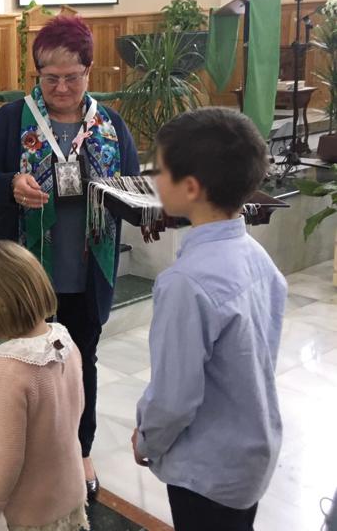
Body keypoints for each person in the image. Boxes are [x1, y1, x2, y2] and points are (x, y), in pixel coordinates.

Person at [0, 15, 140, 499]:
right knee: (21, 365)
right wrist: (9, 184)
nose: (61, 87)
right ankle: (16, 454)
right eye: (50, 78)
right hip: (26, 274)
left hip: (87, 271)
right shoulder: (12, 118)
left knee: (80, 362)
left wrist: (145, 210)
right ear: (37, 74)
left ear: (90, 71)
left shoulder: (109, 124)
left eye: (72, 76)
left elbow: (131, 183)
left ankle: (79, 453)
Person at [132, 107, 285, 531]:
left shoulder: (186, 282)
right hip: (250, 455)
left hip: (207, 469)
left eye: (159, 170)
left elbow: (174, 397)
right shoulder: (258, 257)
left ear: (191, 187)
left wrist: (147, 439)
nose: (154, 178)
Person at [0, 241, 88, 531]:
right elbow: (76, 411)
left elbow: (5, 457)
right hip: (68, 493)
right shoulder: (64, 342)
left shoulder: (8, 368)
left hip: (29, 512)